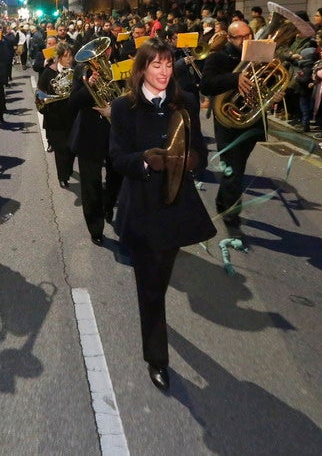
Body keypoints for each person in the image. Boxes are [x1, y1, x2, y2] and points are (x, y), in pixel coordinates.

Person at [109, 38, 215, 393]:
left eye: (169, 65)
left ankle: (155, 320)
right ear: (142, 69)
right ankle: (157, 358)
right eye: (156, 65)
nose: (164, 72)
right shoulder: (123, 107)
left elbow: (199, 146)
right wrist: (144, 161)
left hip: (174, 207)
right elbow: (117, 157)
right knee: (150, 287)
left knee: (159, 281)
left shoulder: (184, 102)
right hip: (140, 207)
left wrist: (193, 161)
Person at [200, 20, 263, 241]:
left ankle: (222, 201)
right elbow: (206, 85)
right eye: (240, 37)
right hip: (228, 122)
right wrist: (234, 78)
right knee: (233, 170)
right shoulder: (218, 57)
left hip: (251, 121)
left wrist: (273, 94)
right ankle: (231, 213)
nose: (246, 40)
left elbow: (265, 84)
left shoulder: (259, 58)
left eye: (249, 35)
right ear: (230, 38)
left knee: (237, 167)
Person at [68, 38, 121, 245]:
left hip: (115, 133)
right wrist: (88, 85)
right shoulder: (81, 72)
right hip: (89, 135)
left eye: (106, 50)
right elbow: (73, 103)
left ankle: (109, 206)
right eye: (100, 51)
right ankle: (95, 227)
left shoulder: (121, 67)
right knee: (91, 184)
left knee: (116, 177)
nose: (103, 54)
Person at [38, 42, 76, 187]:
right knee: (61, 150)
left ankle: (68, 169)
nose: (69, 59)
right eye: (66, 57)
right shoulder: (49, 72)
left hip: (72, 117)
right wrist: (45, 106)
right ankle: (63, 176)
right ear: (59, 58)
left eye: (70, 56)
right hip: (55, 119)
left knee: (71, 149)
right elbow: (40, 94)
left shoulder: (75, 71)